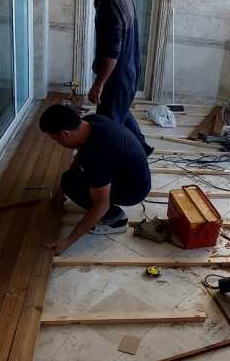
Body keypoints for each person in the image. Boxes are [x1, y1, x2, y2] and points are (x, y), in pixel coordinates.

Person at [63, 0, 153, 155]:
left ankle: (125, 162)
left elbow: (112, 51)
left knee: (106, 129)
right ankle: (142, 148)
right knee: (120, 112)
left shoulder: (109, 1)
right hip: (129, 73)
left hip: (117, 78)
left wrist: (98, 84)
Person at [40, 103, 151, 257]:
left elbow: (101, 204)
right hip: (130, 174)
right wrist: (61, 190)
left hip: (134, 190)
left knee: (83, 190)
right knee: (68, 180)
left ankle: (114, 219)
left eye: (58, 141)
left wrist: (67, 241)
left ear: (65, 133)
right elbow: (79, 157)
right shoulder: (90, 122)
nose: (59, 144)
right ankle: (101, 199)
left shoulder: (97, 153)